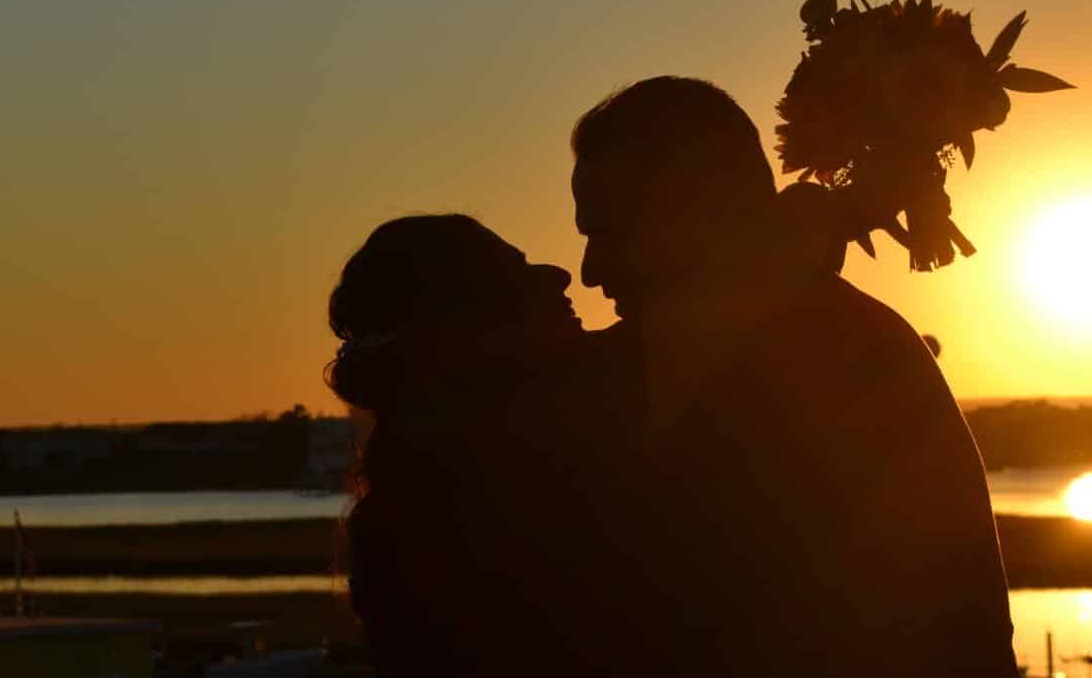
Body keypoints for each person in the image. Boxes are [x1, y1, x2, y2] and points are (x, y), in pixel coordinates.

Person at [570, 76, 1017, 676]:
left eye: (610, 233)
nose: (590, 272)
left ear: (696, 213)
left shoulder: (843, 364)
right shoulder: (668, 359)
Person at [326, 214, 617, 676]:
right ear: (465, 330)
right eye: (514, 277)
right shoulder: (501, 499)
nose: (558, 275)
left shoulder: (428, 487)